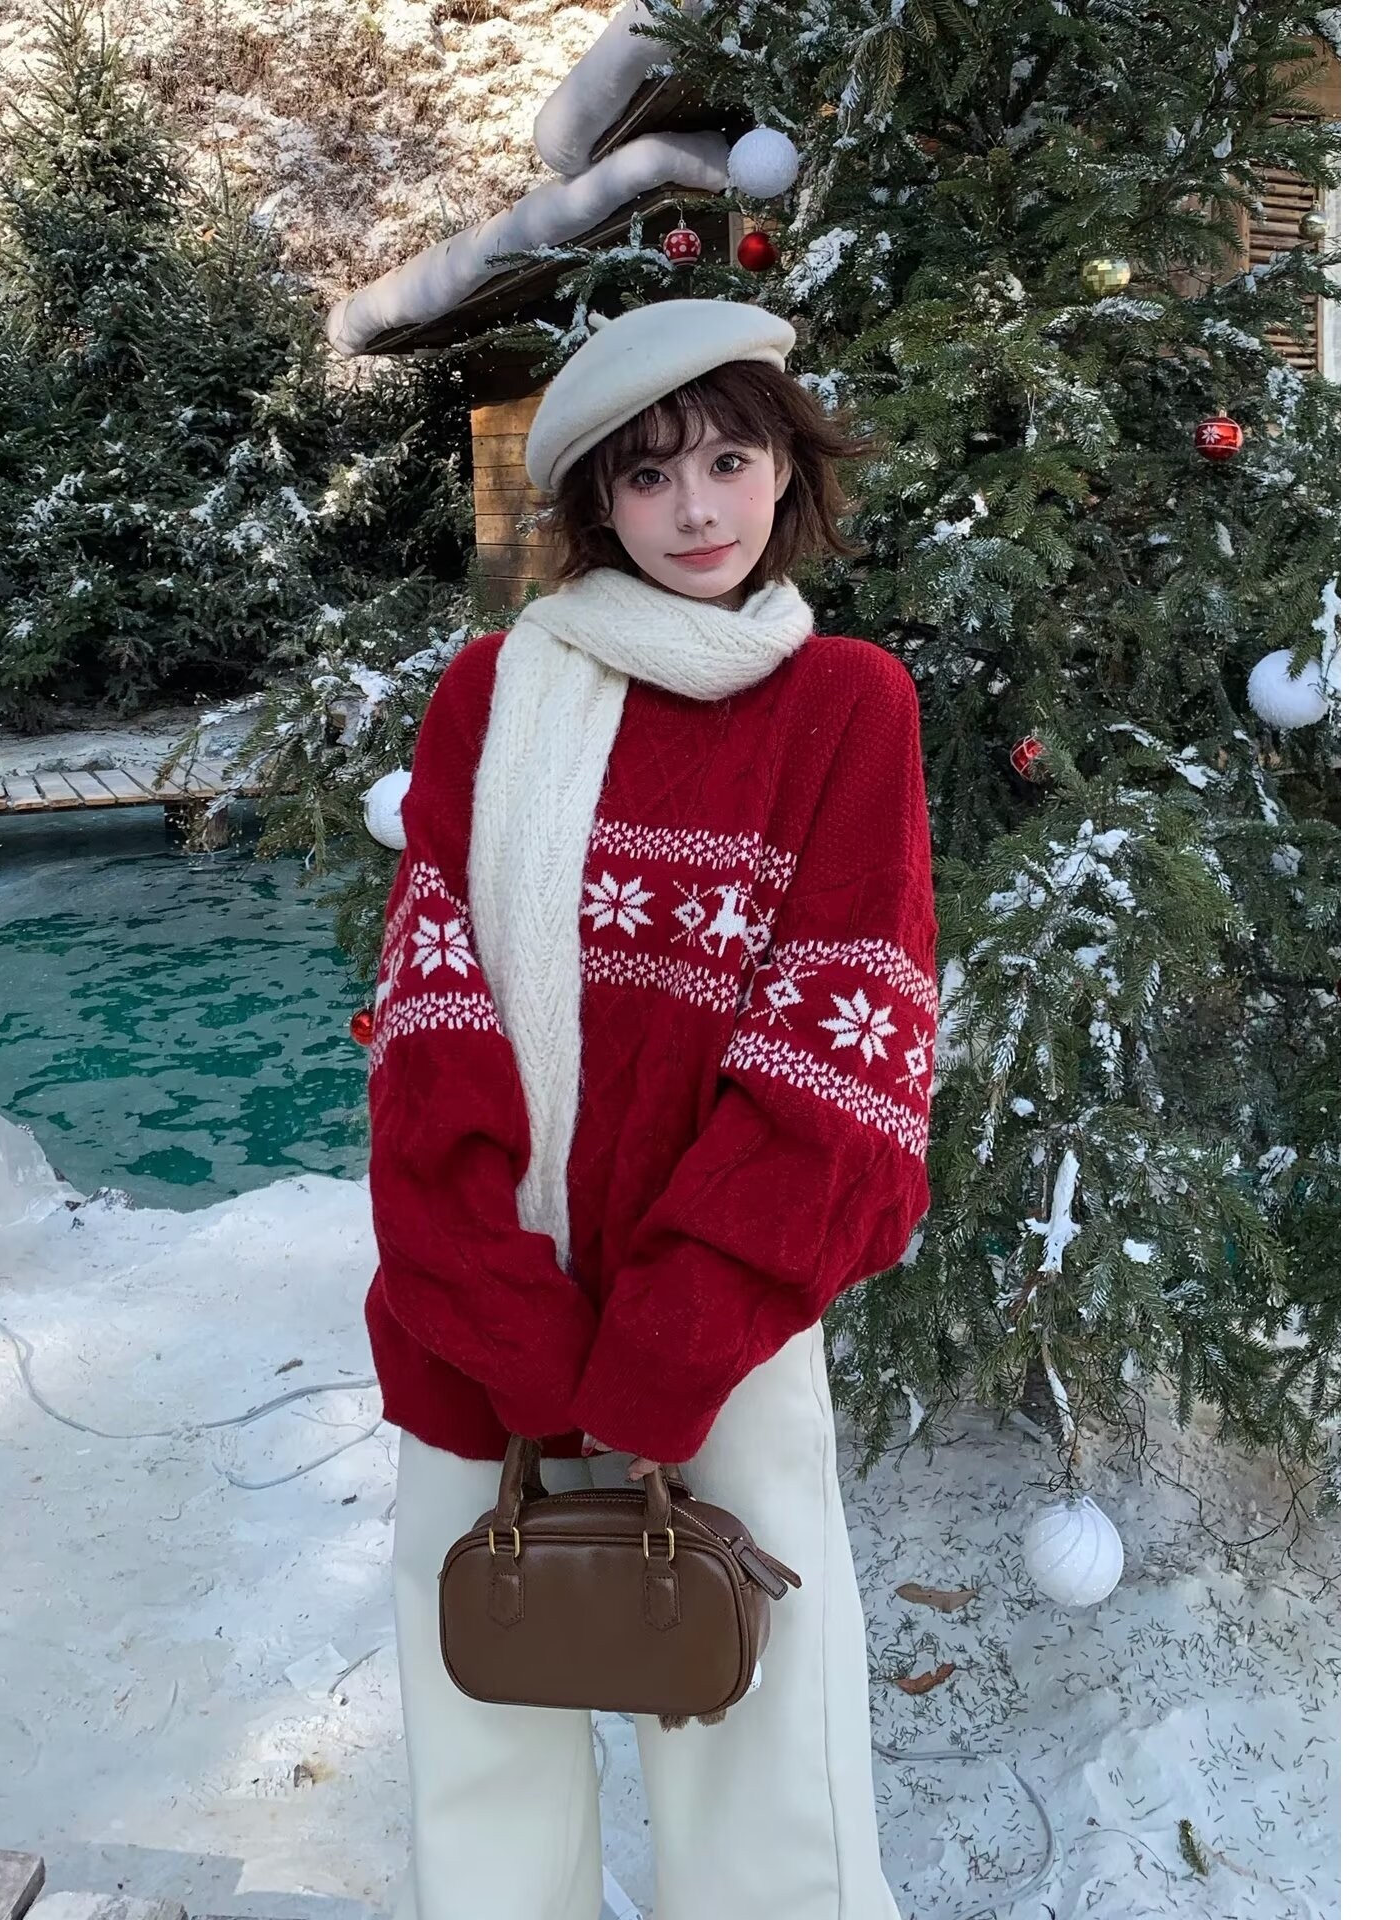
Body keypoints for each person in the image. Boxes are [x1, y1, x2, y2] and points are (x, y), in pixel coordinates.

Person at [362, 298, 937, 1920]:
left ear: (787, 470)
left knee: (763, 1730)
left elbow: (844, 1043)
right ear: (594, 503)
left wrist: (675, 1332)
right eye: (649, 475)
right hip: (488, 1300)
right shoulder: (490, 696)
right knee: (481, 1703)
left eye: (731, 460)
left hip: (724, 1318)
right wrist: (498, 1305)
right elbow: (429, 1013)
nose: (697, 511)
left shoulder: (847, 706)